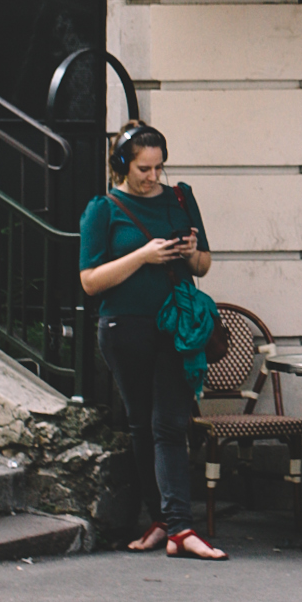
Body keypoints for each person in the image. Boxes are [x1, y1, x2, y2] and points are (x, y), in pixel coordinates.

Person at [79, 121, 225, 561]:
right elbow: (89, 281)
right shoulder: (103, 209)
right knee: (142, 425)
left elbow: (203, 266)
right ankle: (161, 521)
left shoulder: (180, 197)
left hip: (176, 327)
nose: (153, 176)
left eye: (159, 167)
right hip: (125, 327)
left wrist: (189, 253)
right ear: (123, 164)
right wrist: (144, 255)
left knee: (169, 425)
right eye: (144, 168)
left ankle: (181, 527)